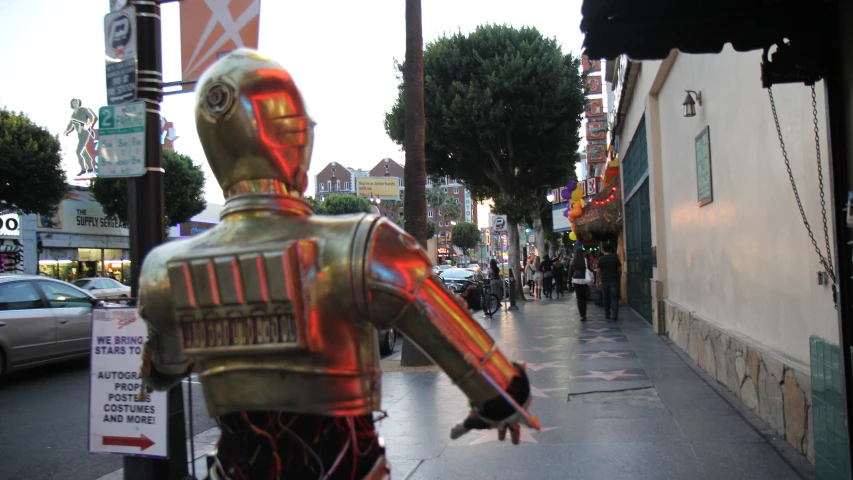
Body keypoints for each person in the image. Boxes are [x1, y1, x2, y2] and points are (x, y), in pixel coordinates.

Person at [136, 49, 538, 480]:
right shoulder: (363, 244)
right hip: (344, 466)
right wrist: (501, 403)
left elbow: (161, 371)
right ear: (293, 138)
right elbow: (495, 382)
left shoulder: (164, 269)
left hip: (238, 468)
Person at [596, 243, 622, 320]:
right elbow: (619, 270)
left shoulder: (600, 259)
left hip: (605, 281)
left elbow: (598, 272)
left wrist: (598, 282)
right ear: (611, 249)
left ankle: (607, 314)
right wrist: (618, 278)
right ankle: (615, 315)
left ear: (603, 250)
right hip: (614, 281)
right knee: (614, 298)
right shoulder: (615, 258)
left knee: (606, 298)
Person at [571, 248, 591, 321]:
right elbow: (590, 270)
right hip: (585, 281)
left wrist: (569, 282)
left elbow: (570, 272)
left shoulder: (573, 261)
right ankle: (584, 313)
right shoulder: (586, 261)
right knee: (584, 298)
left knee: (579, 298)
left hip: (576, 281)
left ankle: (582, 315)